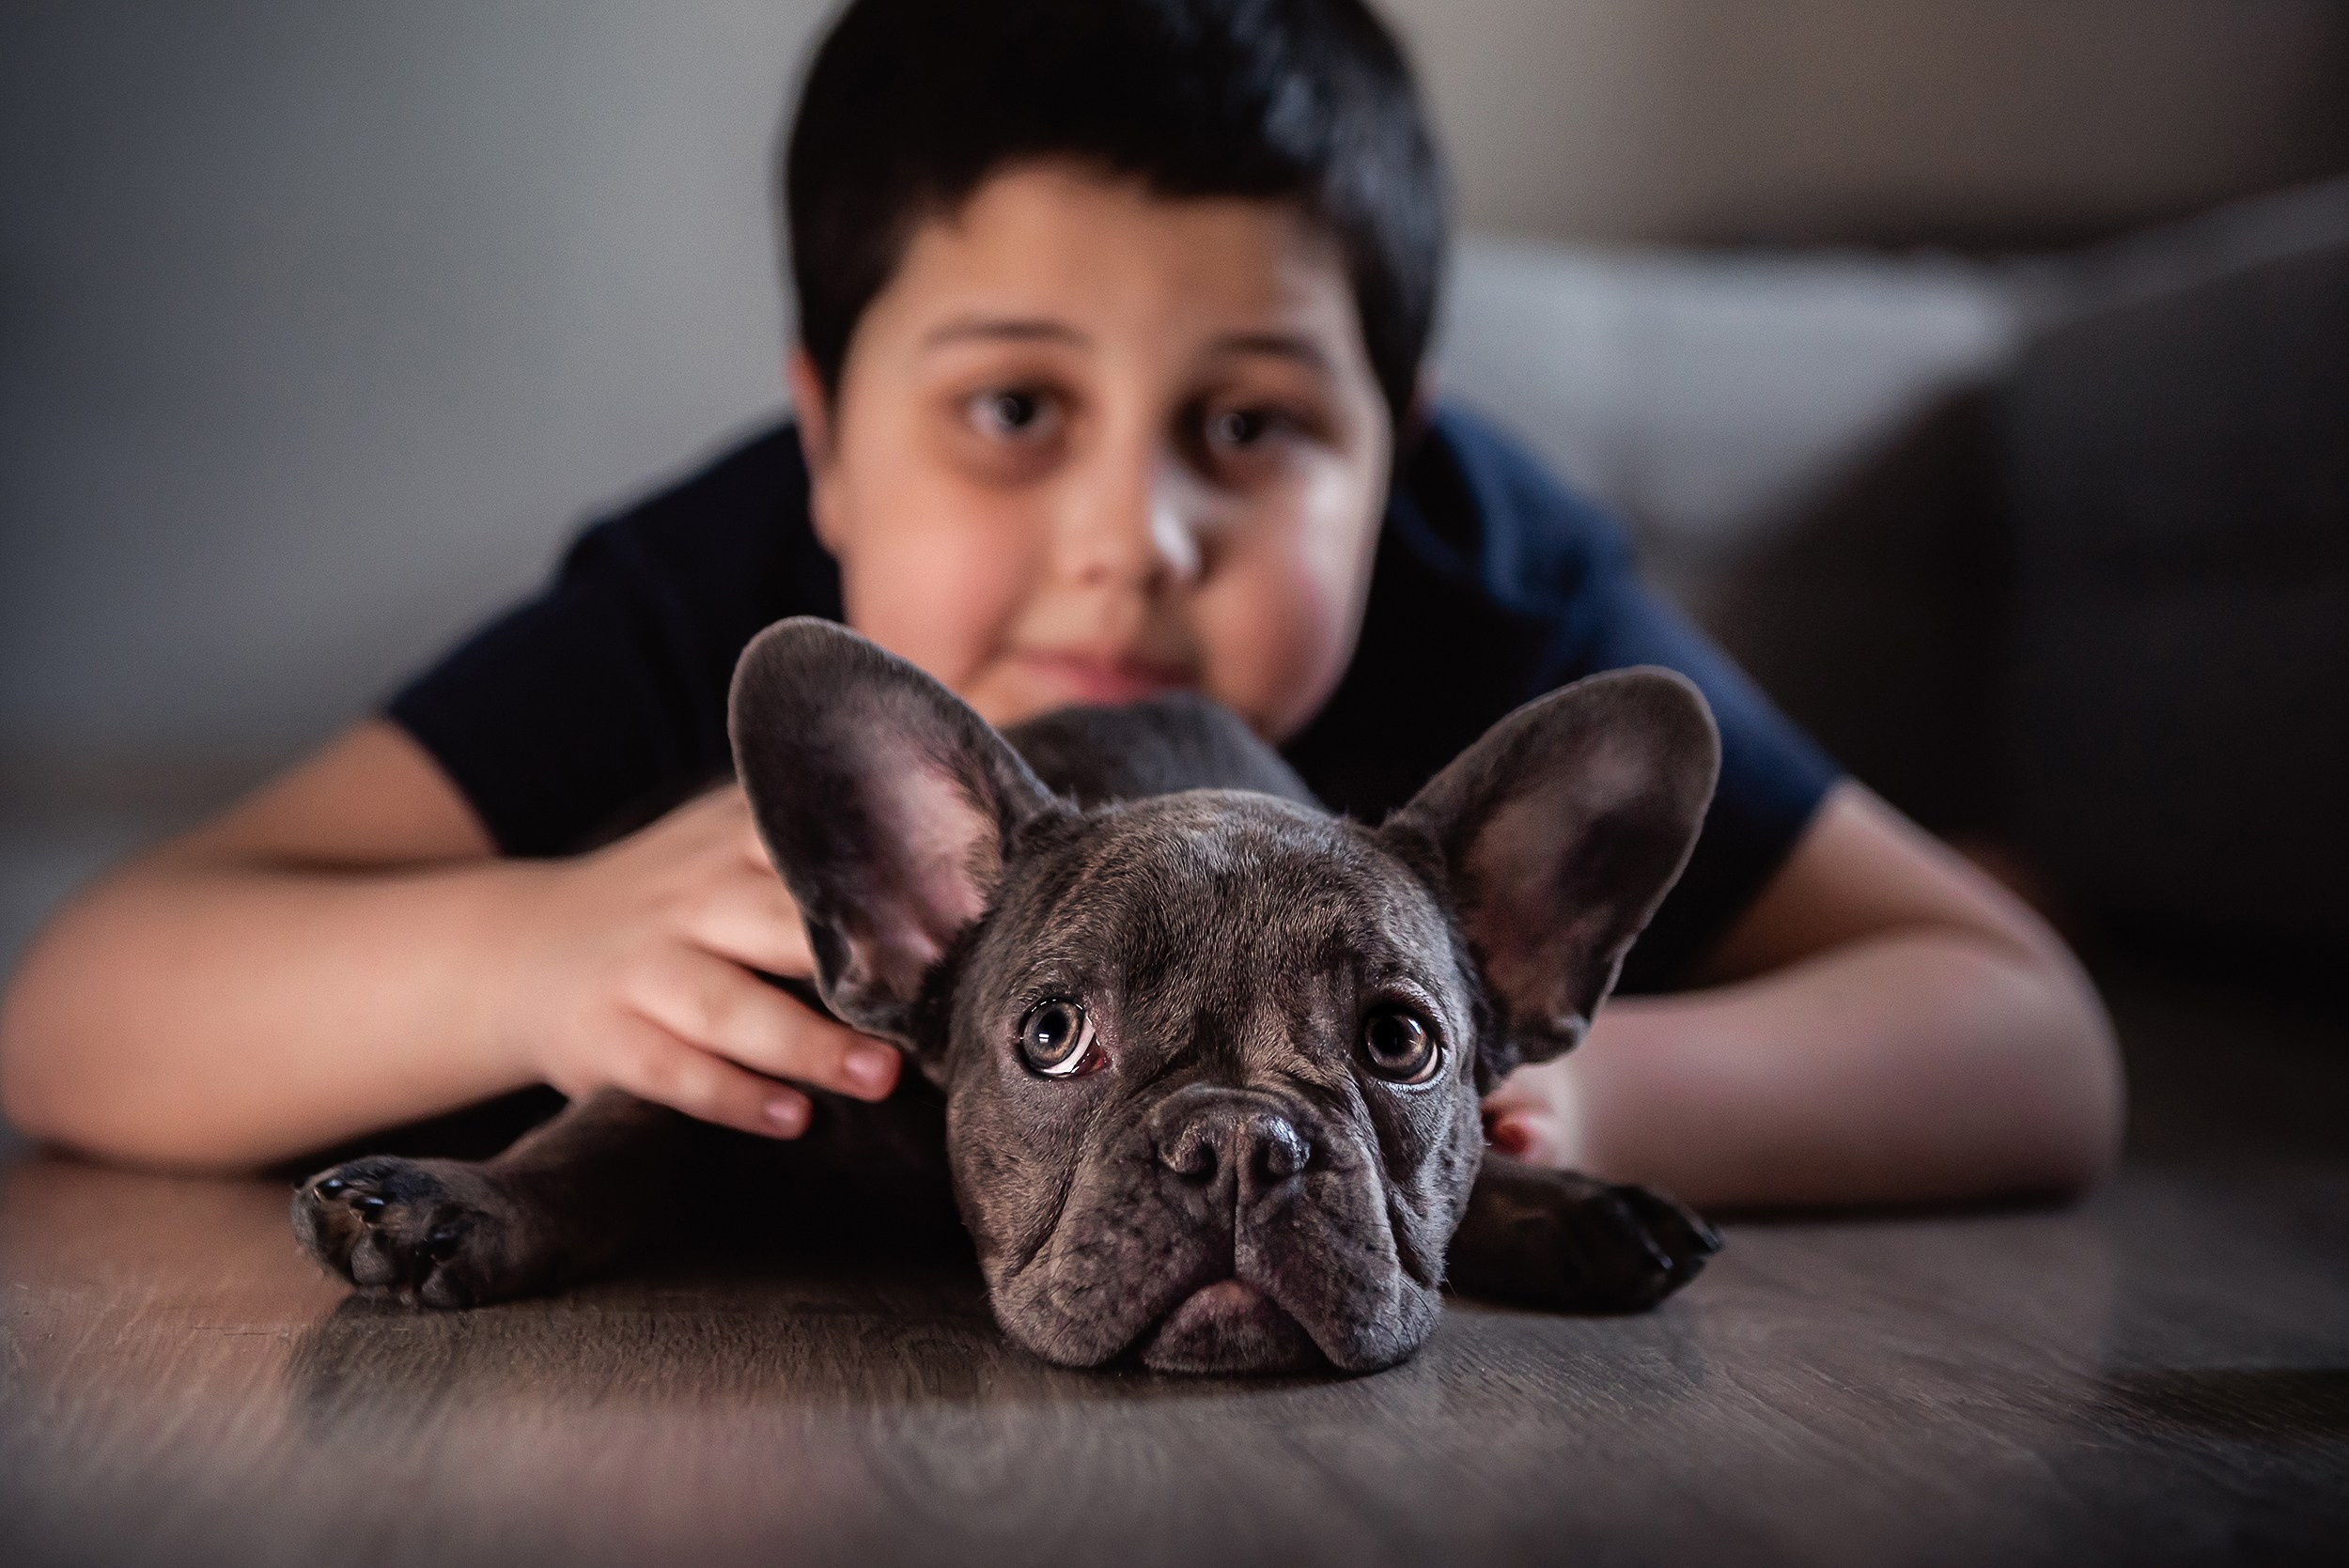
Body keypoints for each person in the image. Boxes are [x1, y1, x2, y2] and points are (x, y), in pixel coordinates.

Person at [0, 0, 2119, 1208]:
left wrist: (1549, 1090)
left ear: (1399, 449)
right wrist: (516, 948)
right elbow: (82, 1002)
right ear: (827, 440)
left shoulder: (1491, 582)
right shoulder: (723, 586)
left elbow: (2028, 1037)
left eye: (1254, 429)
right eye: (1013, 407)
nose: (1132, 537)